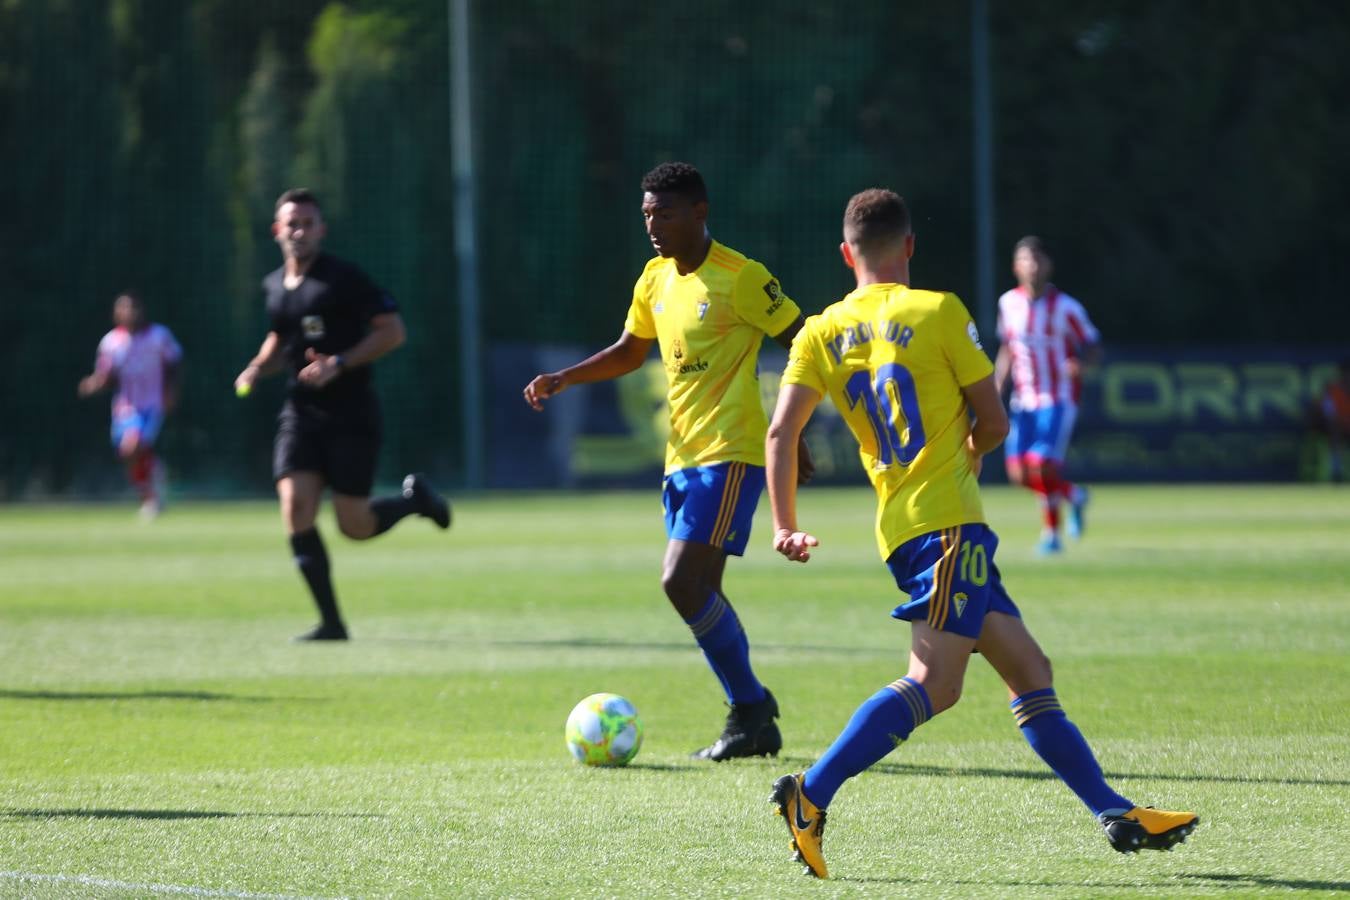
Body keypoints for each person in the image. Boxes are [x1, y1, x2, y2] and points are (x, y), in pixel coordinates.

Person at [764, 189, 1197, 879]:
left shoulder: (819, 331)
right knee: (935, 683)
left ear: (846, 255)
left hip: (907, 527)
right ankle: (810, 793)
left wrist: (786, 525)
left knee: (1030, 672)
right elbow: (994, 422)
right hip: (947, 528)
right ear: (909, 247)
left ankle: (1114, 812)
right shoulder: (939, 311)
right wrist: (969, 450)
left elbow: (782, 431)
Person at [523, 162, 812, 761]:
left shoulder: (742, 277)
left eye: (666, 214)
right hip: (680, 458)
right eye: (648, 214)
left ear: (700, 213)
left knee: (678, 581)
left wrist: (793, 427)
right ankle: (751, 723)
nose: (653, 225)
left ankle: (752, 705)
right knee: (702, 590)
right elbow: (632, 350)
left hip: (730, 453)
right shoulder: (654, 279)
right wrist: (564, 378)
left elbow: (803, 339)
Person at [234, 188, 451, 642]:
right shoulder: (274, 286)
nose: (299, 231)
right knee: (295, 508)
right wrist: (258, 365)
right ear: (277, 230)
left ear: (321, 230)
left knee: (354, 526)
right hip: (301, 411)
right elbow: (281, 337)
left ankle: (416, 501)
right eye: (291, 223)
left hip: (351, 412)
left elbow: (393, 332)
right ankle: (331, 623)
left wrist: (339, 363)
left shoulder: (343, 280)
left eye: (308, 223)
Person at [994, 236, 1101, 554]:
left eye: (1038, 259)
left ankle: (1051, 535)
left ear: (1049, 266)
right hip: (1022, 401)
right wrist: (998, 383)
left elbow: (1093, 344)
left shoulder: (1067, 308)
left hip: (1057, 398)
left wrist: (1080, 365)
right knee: (1017, 473)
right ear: (1016, 266)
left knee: (1041, 465)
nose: (1033, 265)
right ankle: (1075, 496)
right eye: (1026, 259)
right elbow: (1007, 348)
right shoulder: (1007, 304)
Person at [78, 291, 182, 520]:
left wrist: (170, 392)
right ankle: (152, 481)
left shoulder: (158, 336)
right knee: (129, 453)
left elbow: (174, 363)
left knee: (132, 446)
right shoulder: (111, 342)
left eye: (132, 307)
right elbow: (107, 375)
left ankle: (150, 497)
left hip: (151, 404)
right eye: (122, 308)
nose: (128, 312)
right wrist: (94, 384)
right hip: (124, 407)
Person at [1310, 360, 1350, 482]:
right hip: (1340, 428)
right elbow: (1329, 414)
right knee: (1334, 428)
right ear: (1341, 374)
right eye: (1346, 373)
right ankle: (1336, 469)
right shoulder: (1332, 390)